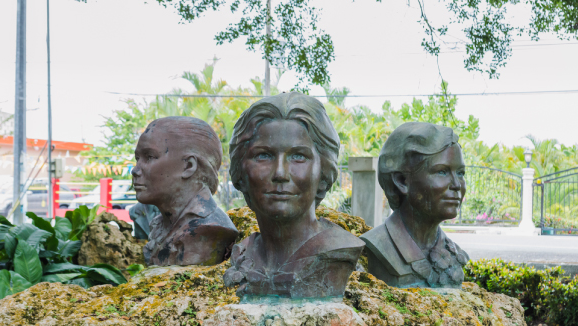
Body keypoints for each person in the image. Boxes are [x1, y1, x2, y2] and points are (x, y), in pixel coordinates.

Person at [223, 92, 364, 301]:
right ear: (240, 172)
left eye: (299, 156)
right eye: (264, 155)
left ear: (323, 173)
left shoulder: (339, 252)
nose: (280, 173)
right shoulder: (243, 255)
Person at [360, 122, 470, 290]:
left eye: (460, 173)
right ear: (402, 181)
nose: (457, 184)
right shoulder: (377, 246)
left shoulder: (454, 254)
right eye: (442, 171)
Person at [131, 116, 238, 266]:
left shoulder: (209, 228)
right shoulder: (159, 224)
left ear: (188, 166)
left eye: (149, 157)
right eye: (137, 158)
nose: (135, 170)